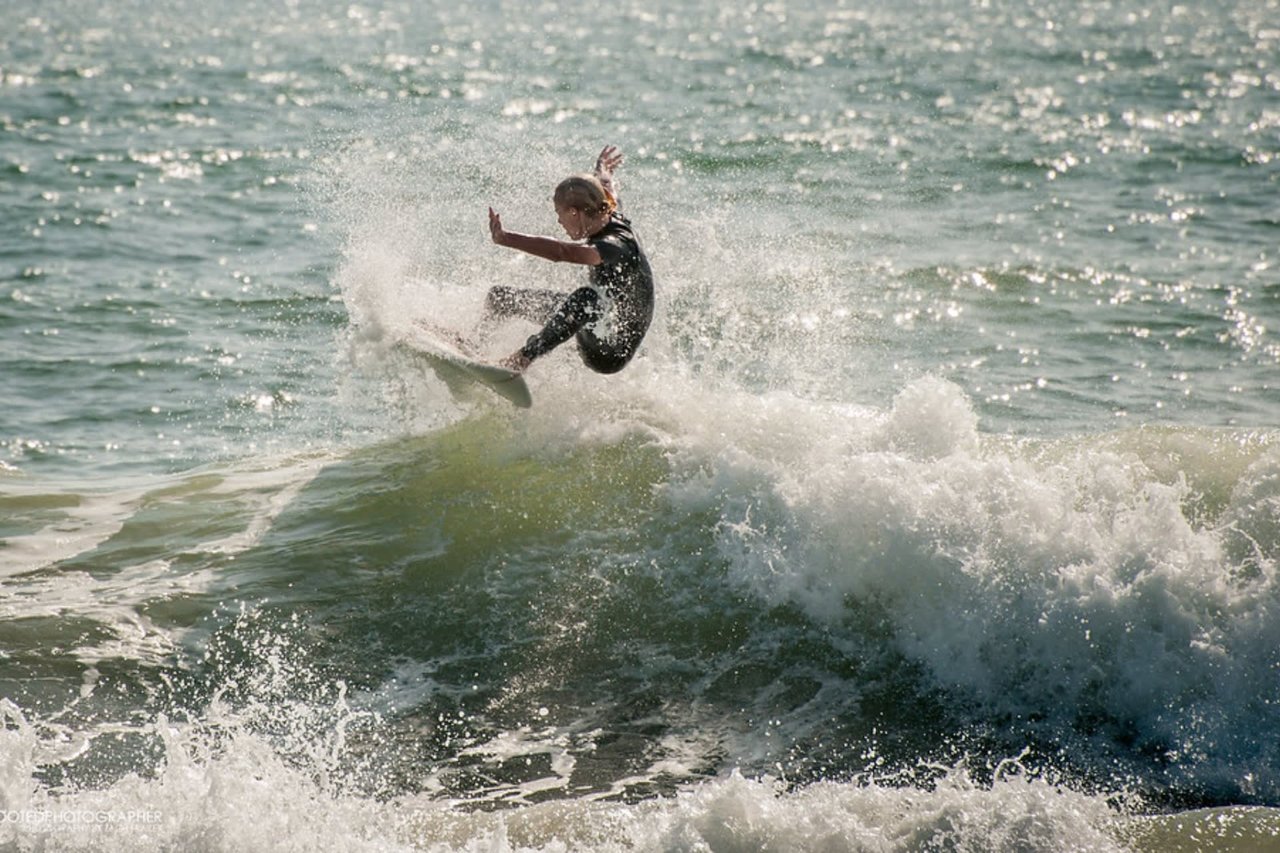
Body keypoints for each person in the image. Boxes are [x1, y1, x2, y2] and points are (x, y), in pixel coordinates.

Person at [482, 145, 654, 375]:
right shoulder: (605, 207)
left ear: (574, 212)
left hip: (611, 349)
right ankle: (475, 344)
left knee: (586, 298)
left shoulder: (616, 244)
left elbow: (563, 252)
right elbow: (605, 187)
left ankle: (521, 359)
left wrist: (505, 238)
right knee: (500, 297)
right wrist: (602, 169)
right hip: (593, 317)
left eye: (559, 214)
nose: (559, 222)